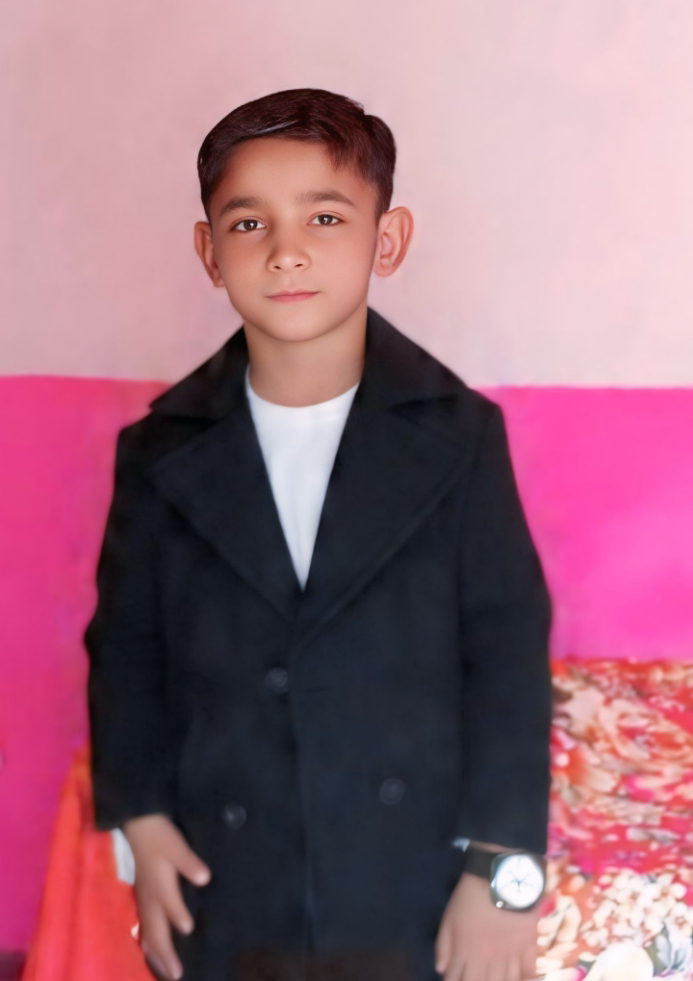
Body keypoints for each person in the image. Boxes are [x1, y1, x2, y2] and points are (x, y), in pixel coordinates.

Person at [84, 88, 554, 981]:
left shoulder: (459, 438)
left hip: (410, 885)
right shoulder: (157, 451)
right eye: (248, 223)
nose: (287, 250)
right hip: (227, 880)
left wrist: (499, 874)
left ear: (388, 239)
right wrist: (140, 819)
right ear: (209, 252)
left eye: (325, 217)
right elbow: (126, 650)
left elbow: (505, 655)